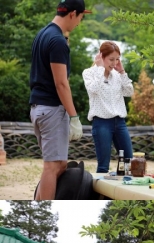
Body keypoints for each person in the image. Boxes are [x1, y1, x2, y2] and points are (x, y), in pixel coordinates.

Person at [29, 0, 90, 200]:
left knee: (59, 165)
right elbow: (61, 84)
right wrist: (74, 116)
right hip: (51, 109)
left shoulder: (44, 34)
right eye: (81, 17)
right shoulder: (56, 40)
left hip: (40, 107)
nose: (80, 22)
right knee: (53, 166)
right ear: (73, 14)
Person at [82, 41, 133, 173]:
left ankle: (124, 191)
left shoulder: (117, 74)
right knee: (103, 165)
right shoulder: (89, 73)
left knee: (129, 162)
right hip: (102, 123)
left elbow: (129, 92)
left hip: (120, 122)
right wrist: (100, 69)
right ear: (101, 57)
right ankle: (101, 194)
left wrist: (122, 71)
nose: (114, 63)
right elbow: (94, 89)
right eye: (111, 59)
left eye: (117, 59)